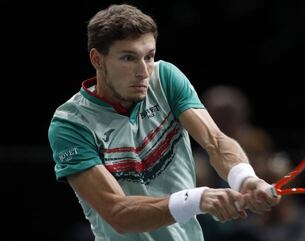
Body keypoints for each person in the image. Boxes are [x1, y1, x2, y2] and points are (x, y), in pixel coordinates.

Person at [47, 4, 280, 241]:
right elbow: (118, 212)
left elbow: (216, 141)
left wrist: (244, 178)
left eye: (149, 57)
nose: (143, 71)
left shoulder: (165, 78)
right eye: (128, 58)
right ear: (97, 59)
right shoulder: (71, 124)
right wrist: (197, 199)